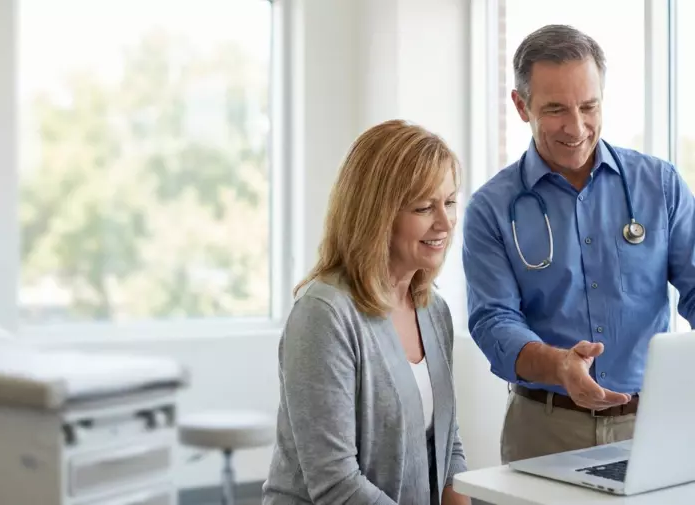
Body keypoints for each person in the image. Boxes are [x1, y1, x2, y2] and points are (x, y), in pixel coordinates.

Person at [462, 23, 695, 465]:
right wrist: (559, 366)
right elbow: (494, 321)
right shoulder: (491, 208)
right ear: (521, 105)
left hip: (652, 425)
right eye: (555, 110)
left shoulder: (660, 185)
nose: (576, 126)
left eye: (589, 106)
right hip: (545, 428)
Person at [262, 119, 470, 505]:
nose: (445, 222)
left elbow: (447, 445)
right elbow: (336, 484)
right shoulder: (324, 315)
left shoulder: (433, 310)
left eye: (450, 202)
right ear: (377, 216)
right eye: (424, 207)